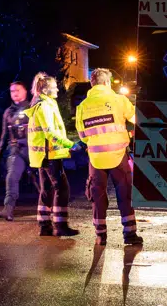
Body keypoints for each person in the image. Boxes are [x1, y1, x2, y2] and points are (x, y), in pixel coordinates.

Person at [75, 67, 142, 246]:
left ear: (92, 83)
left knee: (98, 196)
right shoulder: (119, 100)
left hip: (96, 158)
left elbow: (83, 136)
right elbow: (137, 119)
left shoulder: (82, 107)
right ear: (107, 82)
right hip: (118, 155)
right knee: (124, 194)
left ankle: (100, 235)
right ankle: (129, 234)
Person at [25, 73, 79, 237]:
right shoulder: (45, 107)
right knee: (62, 189)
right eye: (55, 86)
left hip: (44, 155)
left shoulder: (42, 104)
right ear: (46, 89)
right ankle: (60, 225)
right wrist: (70, 145)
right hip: (49, 155)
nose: (57, 88)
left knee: (47, 190)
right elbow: (50, 133)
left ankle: (44, 225)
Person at [0, 81, 30, 221]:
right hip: (16, 150)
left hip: (33, 149)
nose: (15, 93)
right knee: (11, 177)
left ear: (25, 91)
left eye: (18, 90)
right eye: (12, 91)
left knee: (42, 181)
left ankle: (50, 209)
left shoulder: (32, 108)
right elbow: (4, 135)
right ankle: (8, 210)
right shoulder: (8, 112)